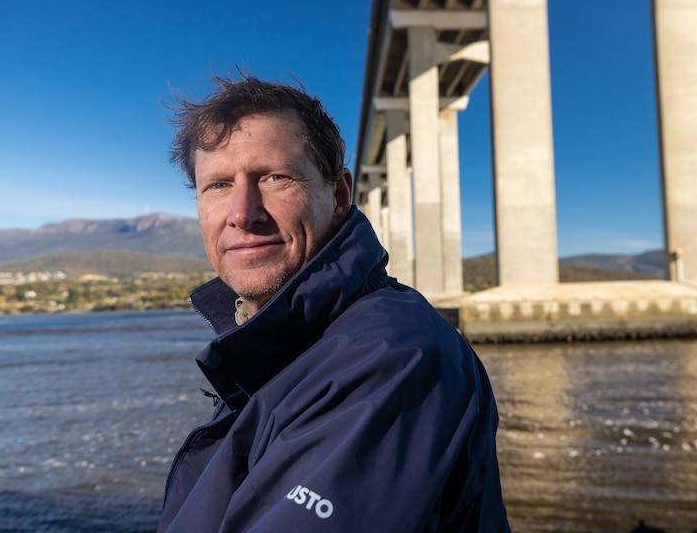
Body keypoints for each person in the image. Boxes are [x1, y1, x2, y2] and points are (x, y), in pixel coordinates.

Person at [157, 71, 510, 532]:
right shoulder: (280, 345)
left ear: (339, 194)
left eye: (274, 177)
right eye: (218, 186)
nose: (242, 214)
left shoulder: (394, 357)